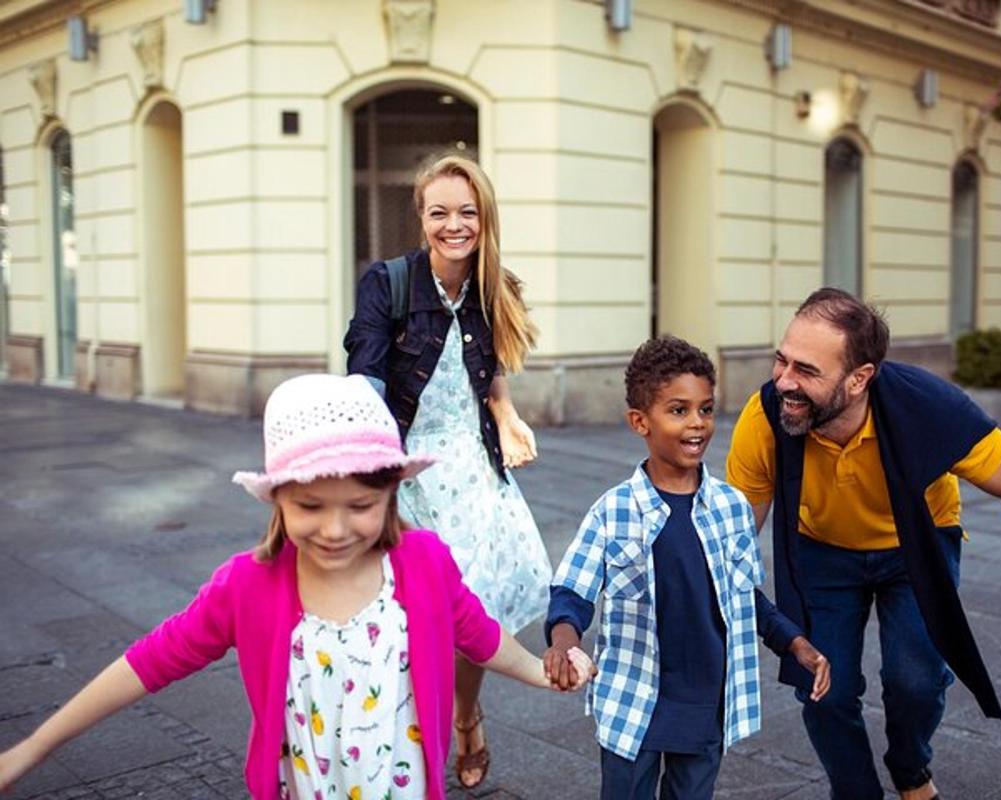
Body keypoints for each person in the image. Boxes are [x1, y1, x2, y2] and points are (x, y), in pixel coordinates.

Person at [0, 374, 591, 800]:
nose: (335, 530)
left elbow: (481, 637)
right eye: (310, 506)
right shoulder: (247, 586)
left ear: (391, 493)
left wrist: (545, 671)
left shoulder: (424, 562)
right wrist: (31, 750)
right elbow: (147, 663)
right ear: (277, 497)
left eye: (361, 506)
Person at [725, 288, 1001, 800]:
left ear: (859, 378)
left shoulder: (930, 407)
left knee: (916, 682)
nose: (783, 380)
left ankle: (910, 769)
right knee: (824, 690)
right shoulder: (766, 418)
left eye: (806, 370)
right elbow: (735, 537)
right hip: (822, 551)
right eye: (781, 359)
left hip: (915, 545)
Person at [543, 335, 831, 800]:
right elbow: (571, 592)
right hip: (632, 699)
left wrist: (795, 643)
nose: (697, 423)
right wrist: (564, 644)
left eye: (706, 409)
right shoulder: (613, 510)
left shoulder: (732, 507)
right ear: (641, 421)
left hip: (706, 700)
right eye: (678, 410)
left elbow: (744, 597)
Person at [342, 155, 552, 789]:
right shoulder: (389, 283)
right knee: (410, 618)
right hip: (407, 469)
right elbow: (367, 371)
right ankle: (421, 737)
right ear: (422, 217)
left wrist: (508, 415)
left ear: (484, 217)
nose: (453, 224)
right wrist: (372, 463)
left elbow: (491, 369)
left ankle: (466, 714)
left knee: (473, 610)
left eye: (466, 211)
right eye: (439, 212)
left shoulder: (495, 286)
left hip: (474, 468)